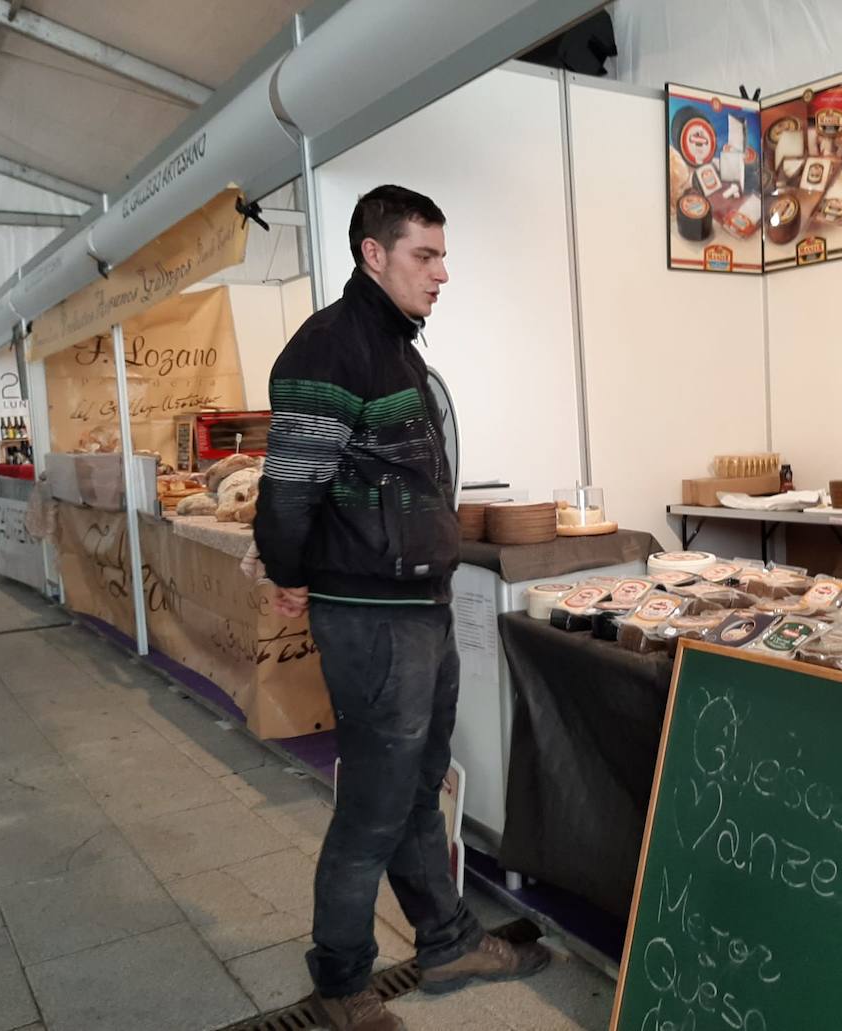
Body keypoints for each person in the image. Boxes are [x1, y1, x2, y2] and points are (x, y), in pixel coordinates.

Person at [254, 185, 548, 1031]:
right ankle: (342, 982)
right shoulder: (331, 350)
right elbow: (288, 489)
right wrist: (287, 568)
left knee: (420, 785)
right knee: (375, 804)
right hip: (372, 615)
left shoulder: (395, 346)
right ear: (373, 254)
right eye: (426, 254)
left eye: (443, 254)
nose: (443, 272)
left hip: (417, 602)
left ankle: (446, 940)